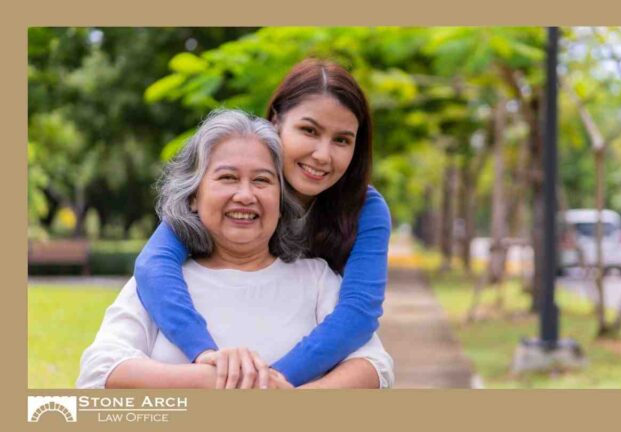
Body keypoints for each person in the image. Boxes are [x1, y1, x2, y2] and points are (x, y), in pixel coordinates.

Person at [77, 110, 393, 389]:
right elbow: (98, 371)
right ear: (193, 197)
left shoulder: (315, 278)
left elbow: (375, 367)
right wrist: (209, 380)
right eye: (227, 177)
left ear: (282, 203)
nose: (245, 195)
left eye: (262, 180)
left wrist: (289, 399)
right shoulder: (162, 283)